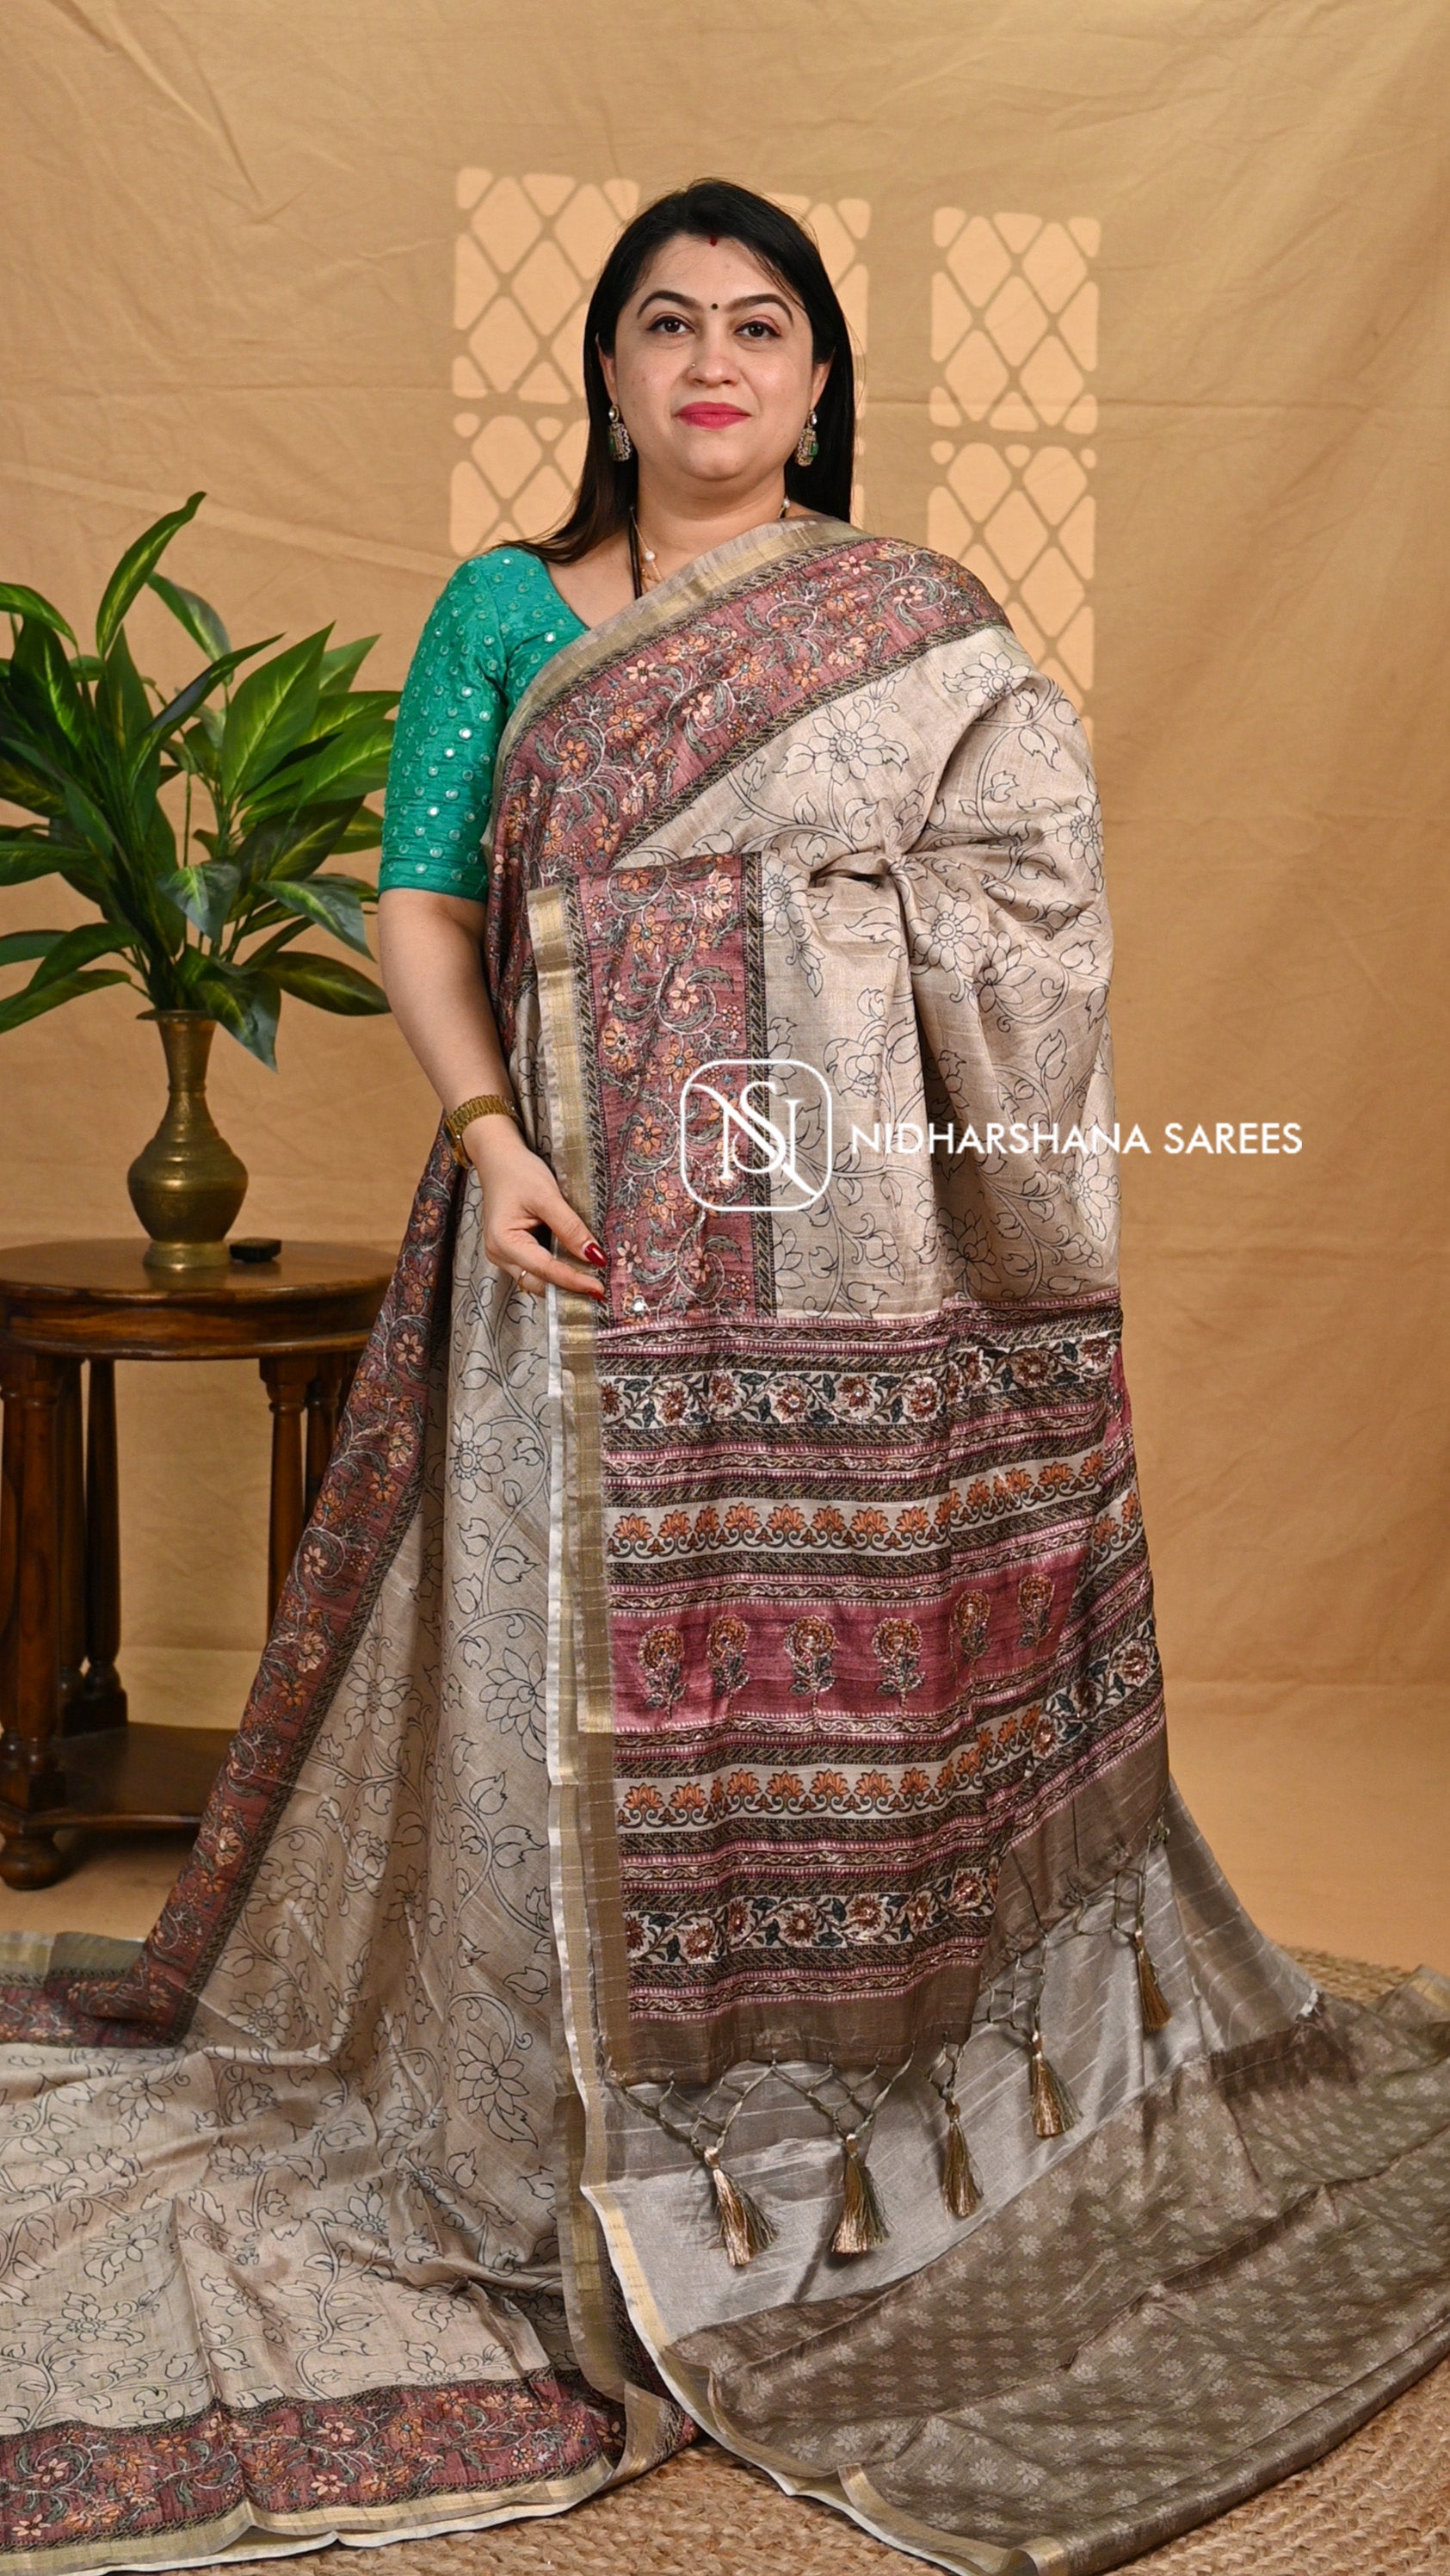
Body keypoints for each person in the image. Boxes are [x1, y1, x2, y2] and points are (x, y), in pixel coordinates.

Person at [1, 177, 1447, 2576]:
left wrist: (840, 926)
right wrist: (490, 1129)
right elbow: (423, 897)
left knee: (848, 1705)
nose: (709, 363)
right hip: (567, 1256)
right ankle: (546, 2136)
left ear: (816, 376)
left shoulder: (916, 628)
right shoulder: (504, 613)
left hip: (861, 1275)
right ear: (606, 369)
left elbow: (1038, 902)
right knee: (545, 1712)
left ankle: (840, 2123)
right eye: (665, 323)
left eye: (758, 326)